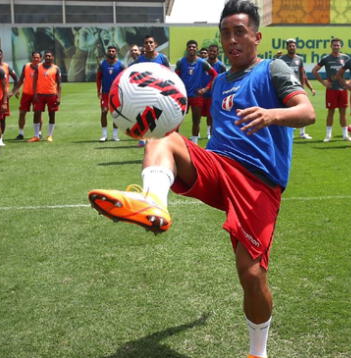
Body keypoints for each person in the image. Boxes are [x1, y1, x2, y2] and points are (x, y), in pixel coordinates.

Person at [87, 1, 315, 357]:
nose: (232, 40)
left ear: (256, 36)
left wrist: (271, 115)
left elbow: (307, 111)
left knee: (252, 276)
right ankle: (153, 203)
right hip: (219, 167)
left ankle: (258, 352)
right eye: (226, 33)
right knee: (161, 135)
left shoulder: (274, 68)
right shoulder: (220, 78)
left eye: (240, 32)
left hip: (259, 183)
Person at [175, 40, 217, 144]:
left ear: (197, 49)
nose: (192, 48)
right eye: (190, 47)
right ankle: (176, 142)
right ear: (187, 48)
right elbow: (174, 77)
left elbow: (215, 75)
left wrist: (205, 89)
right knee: (176, 120)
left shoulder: (202, 63)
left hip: (196, 96)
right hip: (183, 96)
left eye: (194, 47)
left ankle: (195, 143)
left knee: (196, 121)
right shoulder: (181, 62)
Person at [311, 38, 351, 142]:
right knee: (331, 112)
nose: (336, 47)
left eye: (338, 45)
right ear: (331, 46)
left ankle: (345, 135)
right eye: (334, 45)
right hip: (332, 89)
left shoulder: (345, 58)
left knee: (343, 112)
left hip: (343, 89)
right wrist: (323, 82)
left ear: (340, 46)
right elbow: (314, 71)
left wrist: (349, 82)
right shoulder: (326, 58)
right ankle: (328, 135)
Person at [280, 38, 316, 140]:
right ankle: (288, 133)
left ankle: (302, 133)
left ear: (296, 47)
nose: (292, 47)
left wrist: (307, 88)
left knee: (302, 109)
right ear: (287, 47)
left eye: (293, 46)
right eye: (290, 46)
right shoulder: (282, 59)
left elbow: (302, 75)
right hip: (285, 87)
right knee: (287, 111)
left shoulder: (299, 59)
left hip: (297, 87)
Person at [30, 50, 61, 142]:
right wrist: (34, 94)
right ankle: (36, 136)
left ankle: (50, 135)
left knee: (52, 115)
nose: (48, 57)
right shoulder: (38, 67)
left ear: (52, 57)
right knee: (37, 114)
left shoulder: (56, 68)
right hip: (39, 95)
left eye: (49, 56)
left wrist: (59, 97)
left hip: (52, 94)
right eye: (46, 56)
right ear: (43, 57)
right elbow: (34, 81)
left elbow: (59, 84)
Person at [96, 45, 125, 142]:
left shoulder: (121, 65)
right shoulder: (102, 64)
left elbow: (125, 78)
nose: (111, 52)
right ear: (107, 52)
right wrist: (98, 90)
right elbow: (98, 78)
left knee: (116, 114)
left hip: (116, 93)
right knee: (104, 112)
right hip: (105, 93)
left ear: (116, 52)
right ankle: (104, 135)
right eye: (110, 51)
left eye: (113, 51)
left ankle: (115, 135)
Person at [10, 51, 41, 140]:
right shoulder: (26, 66)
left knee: (38, 114)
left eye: (37, 58)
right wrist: (14, 91)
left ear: (40, 59)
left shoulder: (42, 68)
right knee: (22, 113)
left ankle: (39, 132)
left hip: (38, 94)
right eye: (34, 57)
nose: (36, 59)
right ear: (31, 58)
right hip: (26, 93)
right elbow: (20, 80)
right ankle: (20, 133)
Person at [203, 44, 227, 139]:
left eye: (214, 51)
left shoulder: (221, 66)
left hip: (214, 94)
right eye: (210, 51)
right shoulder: (203, 63)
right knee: (197, 115)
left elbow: (225, 79)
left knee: (212, 115)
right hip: (202, 94)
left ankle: (210, 132)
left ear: (218, 53)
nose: (212, 53)